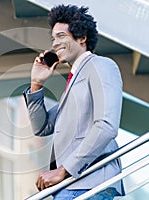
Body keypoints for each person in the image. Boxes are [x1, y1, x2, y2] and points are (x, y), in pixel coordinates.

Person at [23, 4, 125, 199]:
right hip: (72, 184)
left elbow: (106, 125)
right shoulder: (75, 81)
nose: (54, 44)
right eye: (53, 38)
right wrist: (36, 84)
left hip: (89, 181)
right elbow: (41, 127)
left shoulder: (100, 65)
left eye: (61, 36)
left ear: (82, 37)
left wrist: (63, 170)